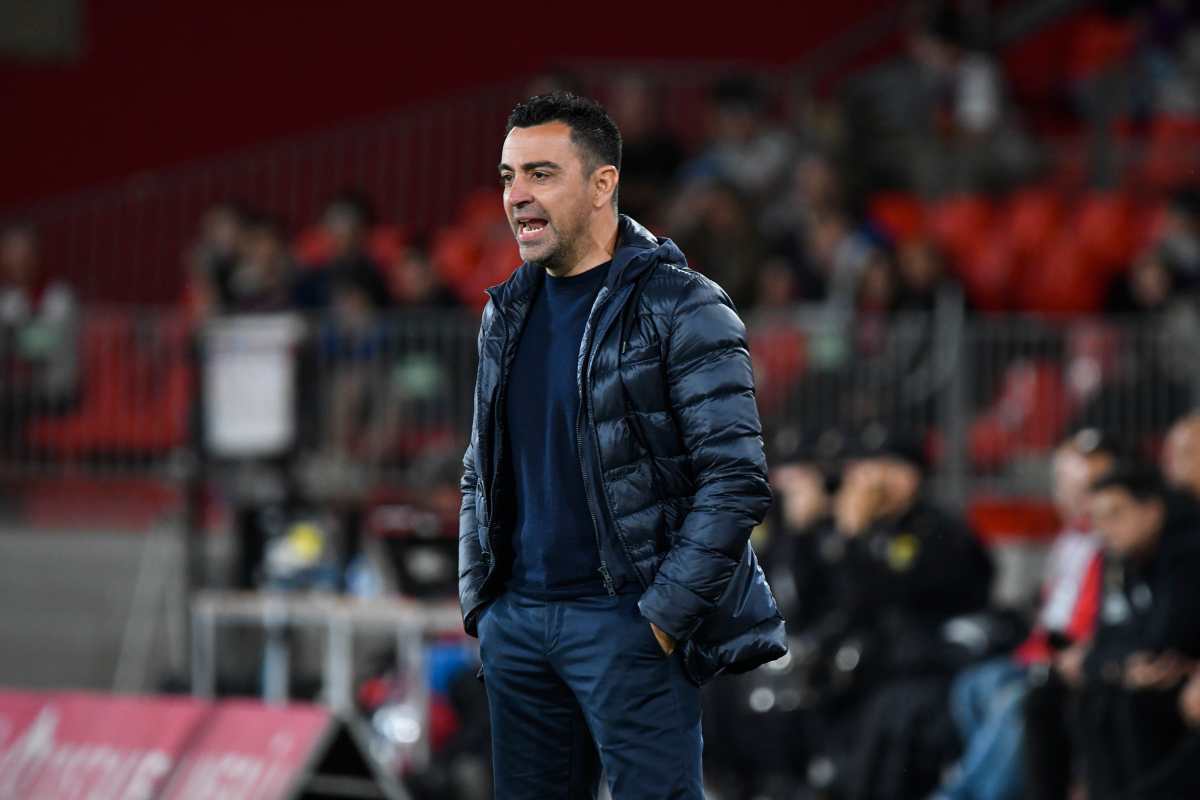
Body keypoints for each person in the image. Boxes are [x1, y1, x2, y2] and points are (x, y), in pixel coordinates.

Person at [457, 92, 785, 800]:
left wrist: (661, 620)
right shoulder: (504, 311)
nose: (517, 195)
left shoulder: (684, 305)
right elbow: (479, 468)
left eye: (541, 174)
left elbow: (735, 481)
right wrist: (483, 603)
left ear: (603, 183)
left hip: (627, 625)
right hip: (518, 627)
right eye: (509, 176)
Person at [933, 428, 1117, 800]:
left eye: (1084, 485)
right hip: (1037, 656)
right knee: (972, 686)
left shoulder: (1112, 543)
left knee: (1014, 701)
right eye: (1064, 484)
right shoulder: (1069, 540)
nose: (1072, 495)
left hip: (1073, 662)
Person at [1070, 465, 1200, 800]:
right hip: (1148, 678)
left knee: (1134, 702)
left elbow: (1165, 639)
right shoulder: (1120, 559)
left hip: (1180, 679)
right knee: (1085, 695)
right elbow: (1102, 644)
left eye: (1115, 514)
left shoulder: (1185, 553)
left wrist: (1123, 661)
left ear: (1152, 510)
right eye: (1098, 519)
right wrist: (1122, 666)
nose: (1105, 529)